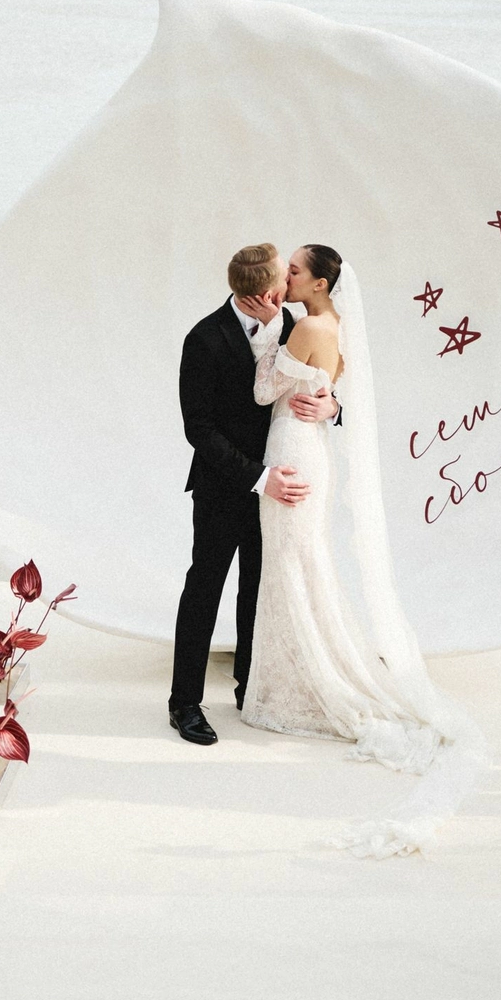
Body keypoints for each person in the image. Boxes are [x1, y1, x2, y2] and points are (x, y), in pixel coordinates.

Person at [240, 244, 487, 856]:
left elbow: (263, 392)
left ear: (320, 283)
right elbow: (332, 386)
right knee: (301, 564)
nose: (285, 276)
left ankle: (306, 682)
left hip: (292, 448)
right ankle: (297, 672)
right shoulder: (334, 324)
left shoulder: (307, 327)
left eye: (295, 271)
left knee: (292, 566)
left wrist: (267, 330)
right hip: (311, 447)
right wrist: (330, 401)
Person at [168, 243, 339, 746]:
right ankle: (184, 703)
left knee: (259, 589)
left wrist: (331, 406)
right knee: (204, 589)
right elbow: (199, 429)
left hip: (282, 486)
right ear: (267, 293)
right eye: (285, 277)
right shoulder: (204, 338)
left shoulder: (295, 325)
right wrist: (259, 478)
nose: (290, 282)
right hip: (224, 487)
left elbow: (322, 377)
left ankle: (251, 687)